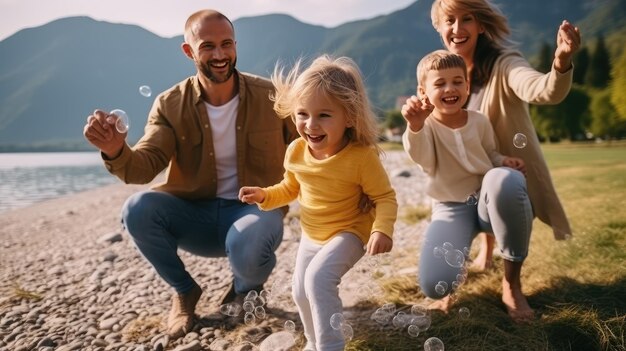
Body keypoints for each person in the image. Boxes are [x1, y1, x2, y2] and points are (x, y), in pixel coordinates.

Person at [83, 9, 297, 338]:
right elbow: (144, 166)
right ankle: (184, 292)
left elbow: (310, 149)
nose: (220, 54)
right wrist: (115, 149)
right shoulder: (169, 104)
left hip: (253, 213)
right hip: (194, 216)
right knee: (137, 209)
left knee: (253, 237)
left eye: (227, 44)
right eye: (208, 46)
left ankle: (244, 291)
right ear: (189, 51)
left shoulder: (272, 95)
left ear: (236, 45)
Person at [239, 55, 398, 351]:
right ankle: (314, 342)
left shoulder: (361, 157)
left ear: (349, 117)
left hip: (350, 232)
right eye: (302, 114)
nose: (310, 124)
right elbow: (290, 188)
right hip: (312, 235)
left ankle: (331, 346)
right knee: (300, 292)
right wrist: (264, 195)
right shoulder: (296, 150)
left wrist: (382, 229)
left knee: (318, 280)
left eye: (324, 115)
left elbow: (384, 197)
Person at [423, 0, 581, 273]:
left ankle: (511, 282)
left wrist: (561, 61)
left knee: (499, 180)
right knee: (435, 280)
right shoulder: (442, 75)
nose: (457, 28)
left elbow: (541, 89)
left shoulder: (506, 64)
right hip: (459, 197)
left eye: (467, 19)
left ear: (481, 25)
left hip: (506, 187)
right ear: (439, 27)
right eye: (449, 20)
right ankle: (480, 252)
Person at [402, 49, 532, 322]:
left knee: (505, 179)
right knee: (433, 285)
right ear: (423, 90)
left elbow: (490, 154)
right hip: (451, 206)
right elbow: (423, 160)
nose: (450, 88)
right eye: (439, 83)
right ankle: (449, 282)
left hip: (485, 201)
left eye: (457, 81)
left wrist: (504, 160)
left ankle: (511, 284)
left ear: (467, 85)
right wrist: (414, 127)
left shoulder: (480, 121)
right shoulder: (424, 126)